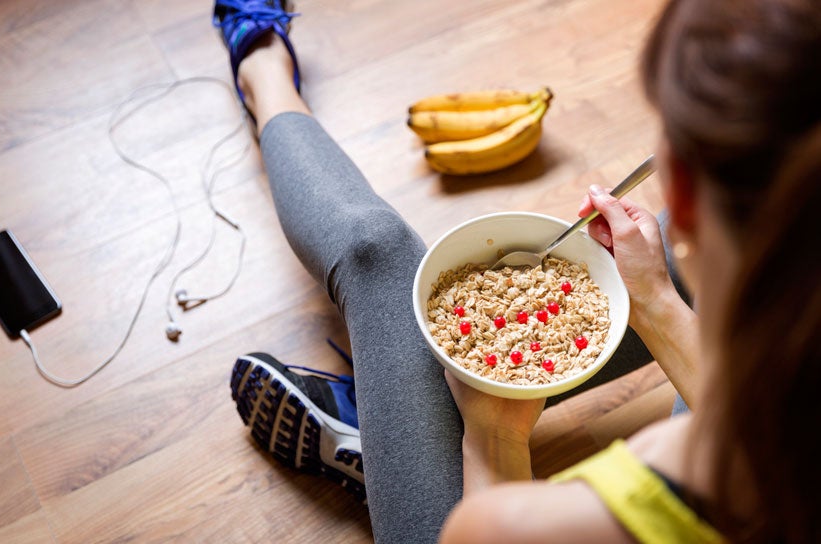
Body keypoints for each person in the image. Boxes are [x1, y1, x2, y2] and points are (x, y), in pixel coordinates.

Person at [216, 0, 821, 542]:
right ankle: (389, 424)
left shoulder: (533, 526)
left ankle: (263, 69)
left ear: (681, 189)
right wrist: (656, 299)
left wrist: (493, 433)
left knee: (377, 253)